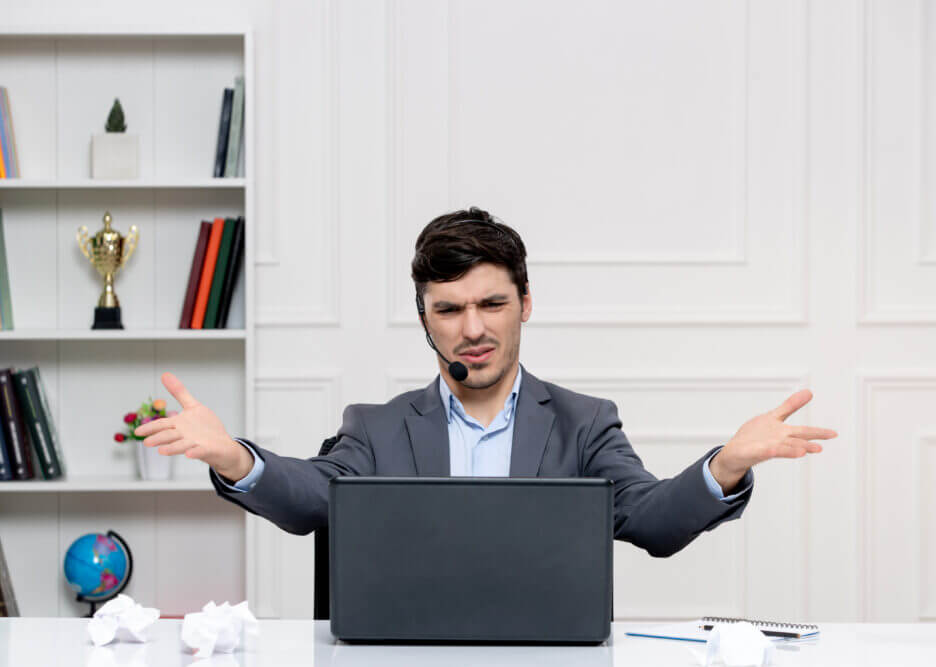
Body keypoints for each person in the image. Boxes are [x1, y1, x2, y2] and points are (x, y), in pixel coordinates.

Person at [135, 207, 837, 557]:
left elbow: (649, 519)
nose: (472, 327)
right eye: (449, 309)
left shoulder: (583, 422)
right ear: (426, 319)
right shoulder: (376, 427)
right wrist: (234, 458)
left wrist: (728, 462)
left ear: (524, 305)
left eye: (491, 304)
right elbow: (313, 500)